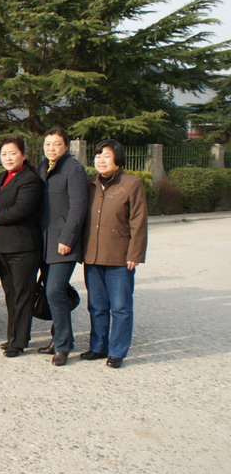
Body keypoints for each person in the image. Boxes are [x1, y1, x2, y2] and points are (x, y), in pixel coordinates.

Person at [80, 140, 148, 369]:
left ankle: (117, 351)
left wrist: (135, 253)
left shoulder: (131, 184)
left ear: (118, 159)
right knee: (96, 305)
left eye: (106, 156)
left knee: (120, 307)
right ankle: (98, 346)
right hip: (92, 256)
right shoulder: (90, 184)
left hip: (120, 257)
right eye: (98, 156)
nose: (101, 160)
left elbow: (138, 220)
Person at [0, 136, 43, 358]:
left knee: (23, 295)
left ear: (23, 155)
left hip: (23, 247)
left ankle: (19, 341)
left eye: (13, 153)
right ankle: (13, 336)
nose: (8, 158)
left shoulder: (30, 180)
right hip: (3, 245)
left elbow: (21, 210)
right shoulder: (2, 176)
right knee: (10, 294)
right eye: (4, 154)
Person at [37, 127, 88, 366]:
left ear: (66, 146)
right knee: (52, 291)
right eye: (48, 144)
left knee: (55, 290)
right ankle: (58, 338)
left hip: (63, 243)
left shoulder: (73, 169)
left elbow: (78, 208)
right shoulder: (43, 166)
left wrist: (68, 239)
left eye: (56, 144)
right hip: (44, 242)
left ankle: (63, 346)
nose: (51, 148)